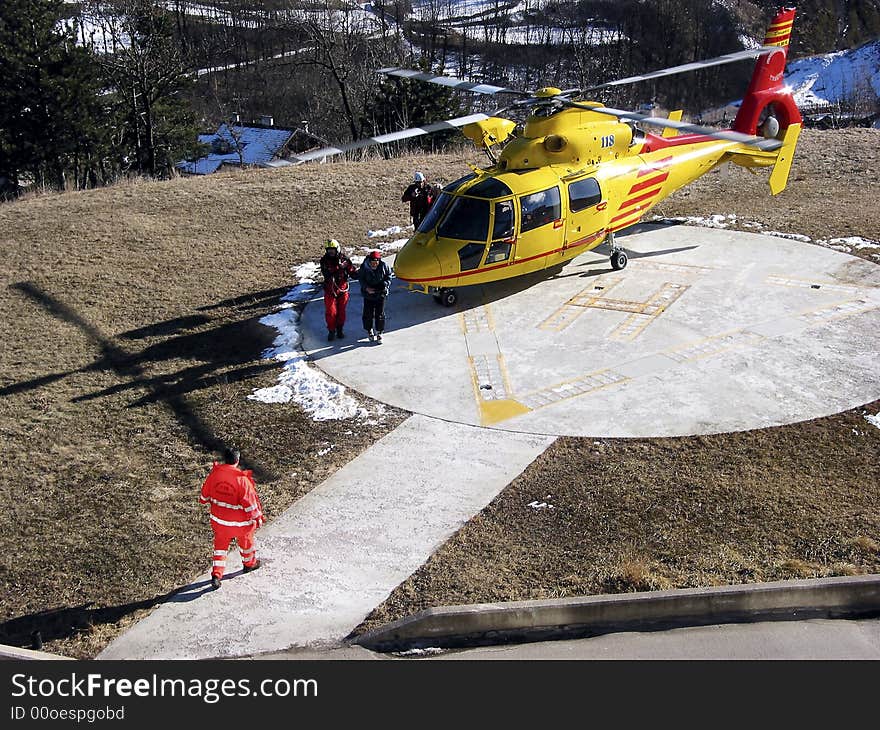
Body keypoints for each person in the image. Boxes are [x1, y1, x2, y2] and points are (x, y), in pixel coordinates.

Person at [199, 447, 265, 590]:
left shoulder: (215, 475)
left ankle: (217, 575)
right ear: (238, 460)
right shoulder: (242, 480)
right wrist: (258, 518)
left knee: (220, 548)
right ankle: (249, 564)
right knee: (246, 543)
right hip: (241, 524)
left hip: (219, 521)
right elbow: (251, 504)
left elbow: (204, 497)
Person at [320, 239, 358, 341]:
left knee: (341, 312)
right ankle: (331, 331)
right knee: (331, 312)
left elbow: (353, 272)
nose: (331, 252)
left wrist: (362, 274)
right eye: (329, 250)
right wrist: (339, 267)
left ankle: (340, 329)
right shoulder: (324, 261)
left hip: (342, 290)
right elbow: (327, 273)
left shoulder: (344, 259)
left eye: (332, 250)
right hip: (330, 290)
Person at [358, 250, 392, 343]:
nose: (374, 265)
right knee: (368, 314)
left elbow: (389, 276)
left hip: (380, 293)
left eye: (376, 262)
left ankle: (379, 332)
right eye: (372, 262)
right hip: (368, 294)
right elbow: (361, 279)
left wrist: (385, 284)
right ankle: (369, 330)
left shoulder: (384, 266)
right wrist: (366, 288)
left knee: (380, 314)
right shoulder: (364, 268)